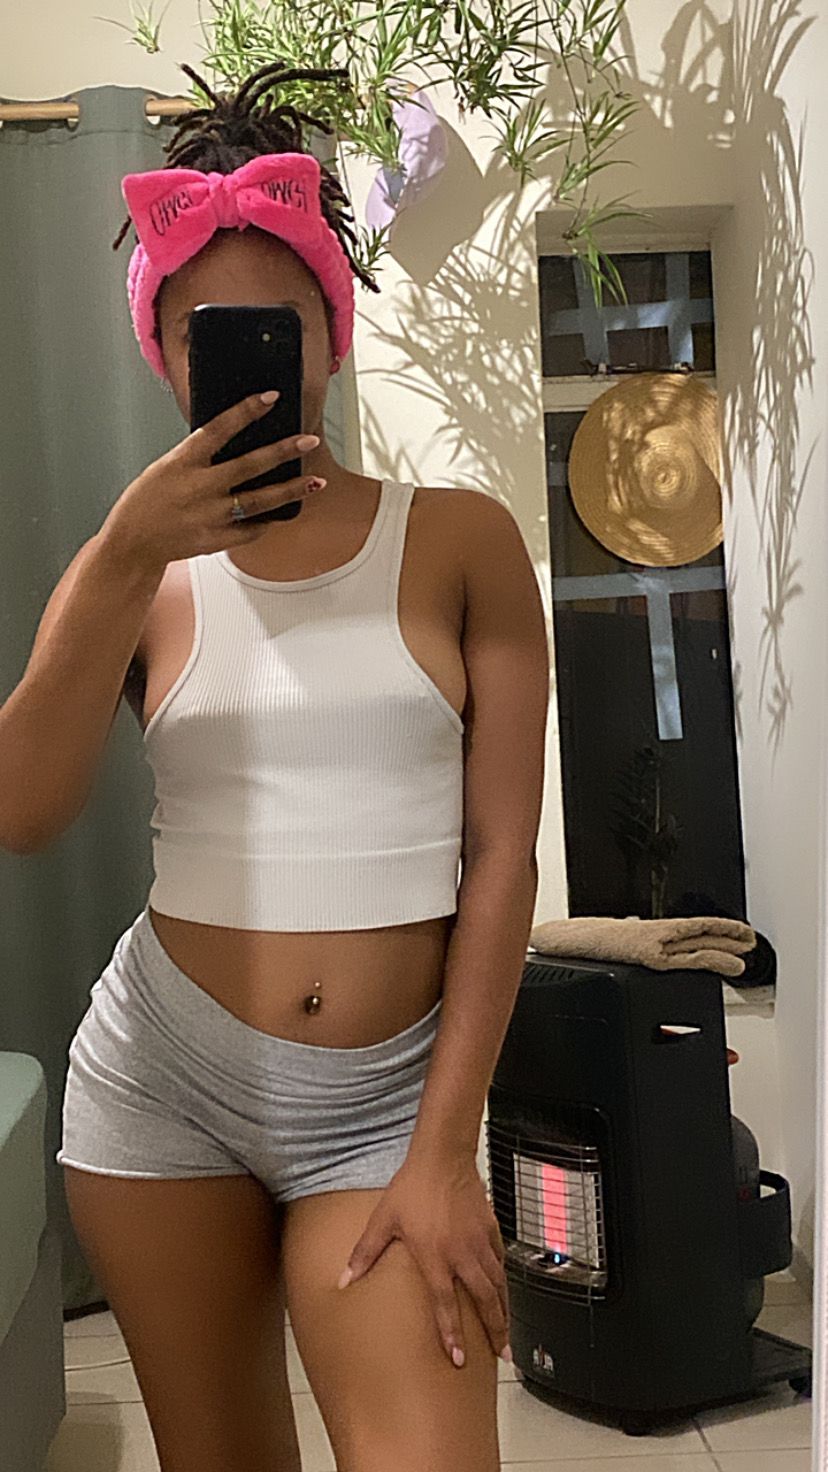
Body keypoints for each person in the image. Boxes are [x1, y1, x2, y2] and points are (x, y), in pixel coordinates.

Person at [22, 56, 550, 1472]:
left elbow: (503, 855)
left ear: (333, 331)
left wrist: (445, 1145)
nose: (248, 358)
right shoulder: (131, 568)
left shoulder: (462, 541)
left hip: (387, 1106)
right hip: (160, 1087)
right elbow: (22, 807)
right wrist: (122, 553)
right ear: (164, 355)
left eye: (278, 323)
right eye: (208, 333)